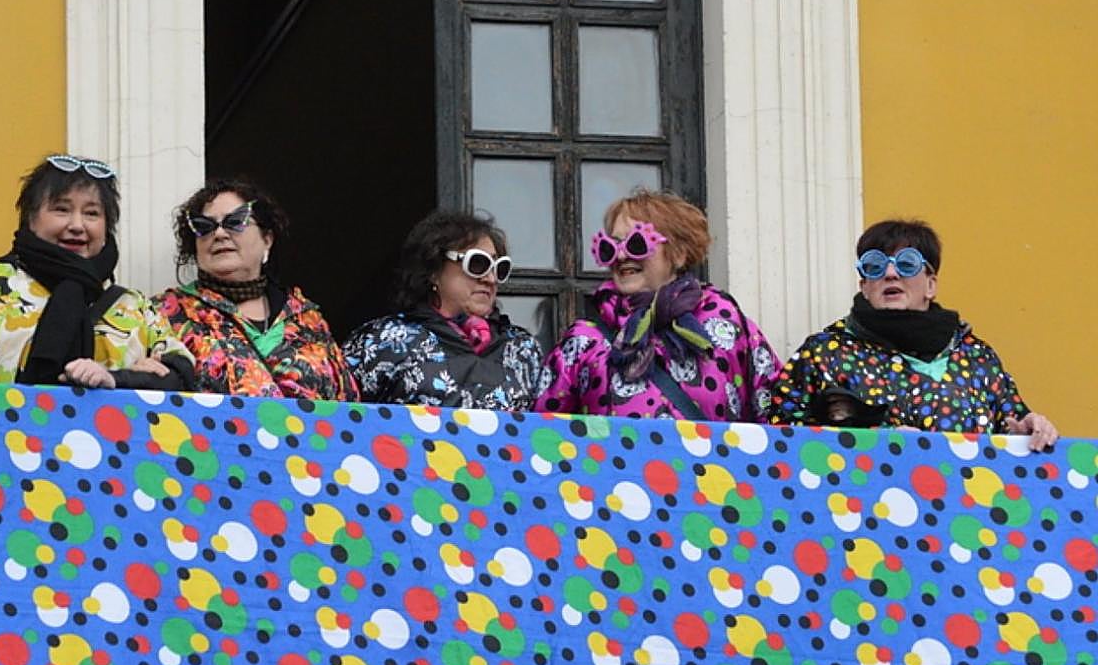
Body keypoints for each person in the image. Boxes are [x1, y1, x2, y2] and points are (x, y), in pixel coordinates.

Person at [0, 154, 193, 389]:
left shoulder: (132, 305)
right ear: (30, 219)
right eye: (61, 209)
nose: (77, 225)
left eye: (92, 213)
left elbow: (182, 373)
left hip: (112, 460)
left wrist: (117, 380)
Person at [766, 219, 1059, 450]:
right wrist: (874, 443)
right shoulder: (823, 352)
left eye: (906, 264)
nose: (890, 274)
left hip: (967, 516)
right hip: (860, 514)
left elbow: (1010, 424)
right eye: (875, 266)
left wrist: (1029, 429)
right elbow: (783, 440)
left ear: (931, 285)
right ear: (864, 286)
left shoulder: (976, 356)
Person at [534, 189, 779, 421]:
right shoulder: (583, 341)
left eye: (636, 244)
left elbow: (773, 415)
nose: (620, 256)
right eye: (610, 247)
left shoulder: (725, 320)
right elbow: (541, 433)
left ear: (678, 253)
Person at [154, 179, 358, 400]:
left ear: (267, 239)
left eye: (235, 221)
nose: (220, 234)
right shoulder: (165, 315)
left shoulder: (309, 320)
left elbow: (347, 404)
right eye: (205, 226)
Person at [343, 210, 543, 410]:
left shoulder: (522, 349)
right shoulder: (382, 341)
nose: (490, 279)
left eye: (498, 268)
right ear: (433, 269)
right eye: (477, 263)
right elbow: (340, 420)